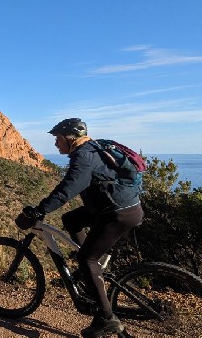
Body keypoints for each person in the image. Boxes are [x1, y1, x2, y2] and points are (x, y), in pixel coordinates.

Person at [22, 118, 144, 338]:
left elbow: (67, 189)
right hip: (118, 206)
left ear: (70, 138)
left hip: (117, 212)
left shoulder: (83, 156)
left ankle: (107, 319)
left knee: (86, 260)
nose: (56, 144)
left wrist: (40, 210)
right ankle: (91, 265)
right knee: (71, 219)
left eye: (58, 139)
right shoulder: (94, 147)